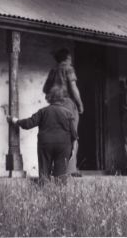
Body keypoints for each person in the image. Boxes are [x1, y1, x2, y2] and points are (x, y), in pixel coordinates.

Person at [7, 86, 77, 183]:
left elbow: (28, 124)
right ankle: (60, 195)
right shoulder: (68, 113)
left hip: (45, 144)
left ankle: (44, 191)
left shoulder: (43, 112)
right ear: (63, 99)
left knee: (44, 172)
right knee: (61, 175)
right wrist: (73, 149)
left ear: (49, 98)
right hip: (63, 145)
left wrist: (15, 120)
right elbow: (74, 134)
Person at [43, 48, 84, 177]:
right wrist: (80, 103)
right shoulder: (68, 68)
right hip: (67, 103)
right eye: (70, 57)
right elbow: (73, 87)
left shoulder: (53, 71)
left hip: (55, 104)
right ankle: (70, 169)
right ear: (67, 58)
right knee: (72, 135)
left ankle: (57, 169)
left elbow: (45, 89)